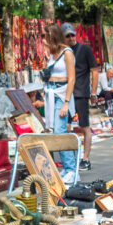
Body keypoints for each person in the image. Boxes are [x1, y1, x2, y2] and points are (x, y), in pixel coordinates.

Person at [42, 23, 78, 182]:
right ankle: (67, 167)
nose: (43, 39)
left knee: (60, 131)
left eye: (45, 36)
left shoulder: (67, 53)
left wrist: (66, 103)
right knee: (55, 131)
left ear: (52, 36)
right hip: (51, 91)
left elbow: (71, 79)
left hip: (62, 93)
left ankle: (72, 169)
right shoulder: (52, 53)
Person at [62, 23, 99, 171]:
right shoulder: (62, 51)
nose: (71, 38)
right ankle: (70, 158)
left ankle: (86, 158)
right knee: (66, 126)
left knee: (84, 126)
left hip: (80, 93)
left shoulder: (84, 49)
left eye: (72, 35)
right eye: (68, 36)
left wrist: (94, 91)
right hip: (65, 94)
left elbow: (94, 71)